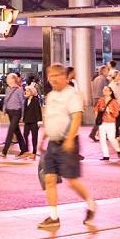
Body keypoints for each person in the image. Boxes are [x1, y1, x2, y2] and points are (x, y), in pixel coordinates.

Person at [34, 63, 96, 228]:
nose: (52, 79)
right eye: (50, 76)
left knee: (72, 181)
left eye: (56, 76)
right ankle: (54, 217)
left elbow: (76, 118)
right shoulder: (51, 95)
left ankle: (90, 203)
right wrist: (43, 137)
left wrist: (69, 139)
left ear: (64, 76)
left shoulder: (72, 95)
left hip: (68, 143)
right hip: (52, 144)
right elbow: (49, 117)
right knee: (49, 178)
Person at [1, 72, 29, 157]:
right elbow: (6, 100)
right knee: (17, 132)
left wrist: (23, 115)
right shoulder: (7, 89)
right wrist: (4, 111)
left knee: (11, 130)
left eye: (9, 78)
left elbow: (23, 102)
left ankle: (4, 151)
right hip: (10, 112)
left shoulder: (19, 89)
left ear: (13, 79)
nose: (7, 80)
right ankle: (24, 149)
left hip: (17, 112)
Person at [95, 85, 120, 161]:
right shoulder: (101, 100)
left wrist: (110, 111)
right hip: (102, 122)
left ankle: (118, 149)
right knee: (102, 139)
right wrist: (97, 116)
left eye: (107, 90)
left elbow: (116, 114)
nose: (105, 91)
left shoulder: (114, 102)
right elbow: (96, 109)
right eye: (104, 90)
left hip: (110, 122)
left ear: (110, 92)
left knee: (111, 138)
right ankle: (106, 155)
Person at [88, 65, 111, 141]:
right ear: (104, 71)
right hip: (101, 100)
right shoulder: (104, 79)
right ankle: (93, 133)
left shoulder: (96, 79)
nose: (108, 72)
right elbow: (106, 91)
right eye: (107, 70)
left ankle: (97, 134)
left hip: (96, 100)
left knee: (101, 118)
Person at [22, 79, 41, 159]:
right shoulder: (26, 100)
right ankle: (26, 151)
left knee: (34, 137)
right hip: (27, 121)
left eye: (27, 91)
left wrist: (39, 122)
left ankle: (34, 152)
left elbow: (38, 111)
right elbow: (25, 110)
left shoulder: (35, 101)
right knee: (25, 135)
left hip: (34, 122)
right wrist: (23, 118)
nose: (25, 92)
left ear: (32, 92)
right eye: (25, 91)